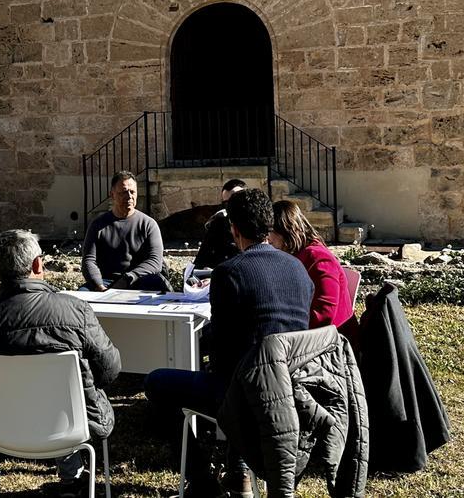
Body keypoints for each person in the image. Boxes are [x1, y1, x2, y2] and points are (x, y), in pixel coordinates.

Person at [144, 188, 314, 497]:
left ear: (234, 229)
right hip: (293, 387)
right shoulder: (298, 269)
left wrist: (203, 342)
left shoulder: (229, 273)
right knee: (240, 368)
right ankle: (238, 473)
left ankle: (202, 482)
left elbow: (222, 349)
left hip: (250, 389)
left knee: (158, 382)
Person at [0, 229, 121, 497]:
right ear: (37, 264)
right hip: (70, 426)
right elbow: (110, 369)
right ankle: (74, 479)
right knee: (71, 397)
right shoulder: (75, 310)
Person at [269, 200, 357, 344]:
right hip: (309, 336)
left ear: (285, 231)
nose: (268, 240)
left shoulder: (318, 258)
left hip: (334, 344)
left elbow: (324, 313)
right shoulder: (296, 254)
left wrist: (290, 336)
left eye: (271, 234)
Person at [81, 171, 170, 292]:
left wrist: (130, 277)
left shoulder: (148, 224)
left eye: (132, 192)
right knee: (82, 294)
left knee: (157, 283)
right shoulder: (98, 225)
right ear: (112, 195)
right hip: (105, 281)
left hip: (138, 280)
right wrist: (99, 285)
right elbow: (89, 260)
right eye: (123, 192)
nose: (129, 196)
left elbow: (155, 261)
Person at [190, 178, 246, 274]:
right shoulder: (220, 222)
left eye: (234, 200)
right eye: (226, 203)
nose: (230, 206)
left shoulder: (258, 222)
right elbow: (201, 260)